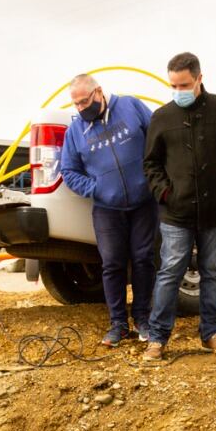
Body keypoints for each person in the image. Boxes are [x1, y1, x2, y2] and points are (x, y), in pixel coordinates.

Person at [141, 52, 216, 361]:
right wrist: (164, 193)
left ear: (199, 79)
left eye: (185, 84)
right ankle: (158, 338)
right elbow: (150, 163)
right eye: (174, 85)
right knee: (169, 272)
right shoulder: (161, 117)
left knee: (212, 273)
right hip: (176, 213)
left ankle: (211, 333)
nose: (179, 91)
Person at [60, 74, 157, 347]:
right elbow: (68, 170)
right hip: (106, 208)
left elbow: (156, 140)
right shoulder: (75, 131)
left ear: (99, 92)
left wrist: (153, 178)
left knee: (143, 259)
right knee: (112, 263)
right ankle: (118, 324)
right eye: (75, 104)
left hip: (143, 202)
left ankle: (142, 319)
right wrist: (96, 189)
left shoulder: (130, 106)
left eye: (84, 101)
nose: (80, 108)